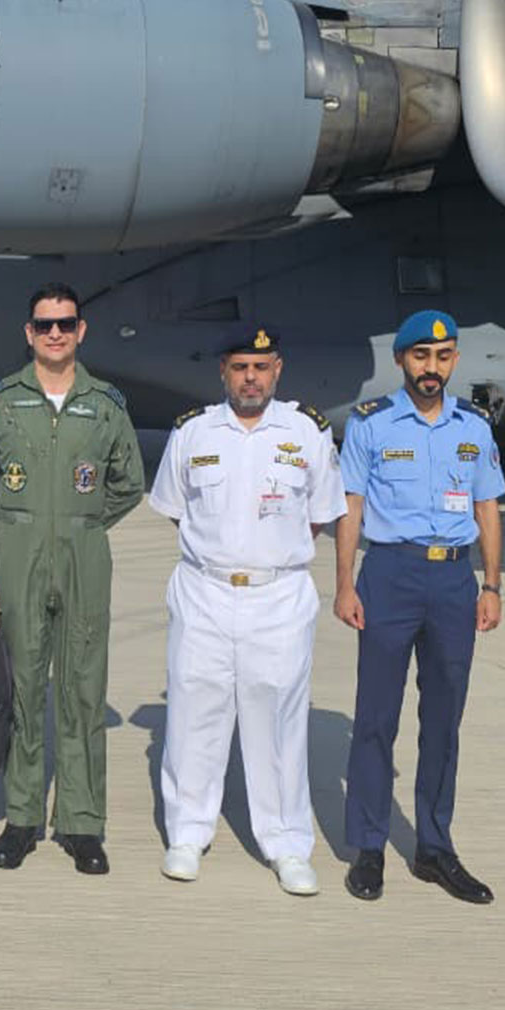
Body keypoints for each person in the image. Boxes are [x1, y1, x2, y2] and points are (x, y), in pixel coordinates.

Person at [147, 326, 345, 894]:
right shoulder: (193, 431)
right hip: (204, 590)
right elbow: (175, 507)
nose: (250, 378)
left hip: (278, 594)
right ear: (223, 372)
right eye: (239, 367)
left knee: (278, 720)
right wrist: (222, 552)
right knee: (193, 714)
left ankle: (287, 845)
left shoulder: (307, 432)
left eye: (260, 367)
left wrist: (267, 555)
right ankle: (187, 834)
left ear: (277, 369)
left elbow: (321, 513)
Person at [0, 282, 144, 875]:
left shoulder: (106, 404)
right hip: (18, 558)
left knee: (83, 690)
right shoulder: (1, 403)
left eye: (66, 323)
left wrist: (83, 523)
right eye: (45, 325)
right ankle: (21, 819)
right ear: (29, 333)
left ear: (81, 330)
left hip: (83, 560)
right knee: (20, 689)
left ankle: (82, 823)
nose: (56, 333)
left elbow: (129, 482)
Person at [334, 309, 505, 905]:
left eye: (443, 356)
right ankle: (369, 848)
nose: (432, 367)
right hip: (390, 574)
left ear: (453, 360)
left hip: (454, 580)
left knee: (444, 719)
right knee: (376, 717)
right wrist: (344, 584)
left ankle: (434, 846)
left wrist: (492, 586)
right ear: (402, 359)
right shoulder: (371, 423)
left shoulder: (475, 427)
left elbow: (487, 507)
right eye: (421, 356)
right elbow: (351, 506)